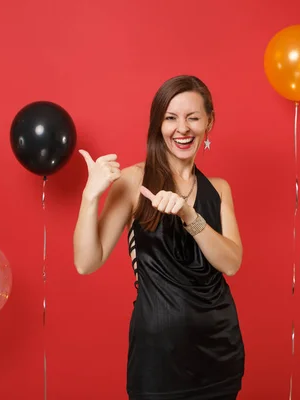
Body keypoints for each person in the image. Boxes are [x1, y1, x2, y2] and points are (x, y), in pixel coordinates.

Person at [73, 75, 245, 400]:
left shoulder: (219, 189)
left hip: (220, 351)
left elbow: (231, 263)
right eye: (171, 118)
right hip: (158, 357)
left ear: (209, 122)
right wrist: (89, 196)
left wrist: (190, 217)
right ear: (158, 124)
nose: (182, 128)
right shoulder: (133, 180)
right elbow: (86, 262)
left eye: (193, 117)